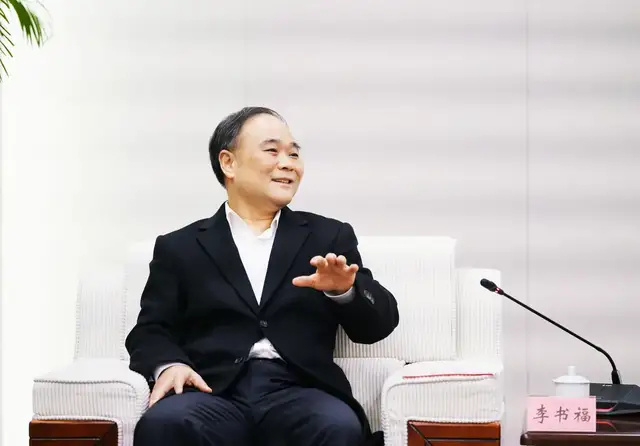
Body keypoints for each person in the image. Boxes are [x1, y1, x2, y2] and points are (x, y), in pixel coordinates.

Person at [125, 107, 399, 446]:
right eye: (272, 151)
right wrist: (168, 365)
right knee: (165, 423)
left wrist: (345, 291)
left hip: (300, 392)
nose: (288, 163)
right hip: (211, 392)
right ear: (229, 163)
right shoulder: (180, 247)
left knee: (337, 426)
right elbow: (150, 329)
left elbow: (378, 326)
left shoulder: (327, 237)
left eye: (294, 154)